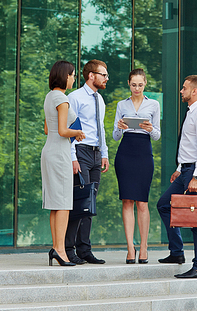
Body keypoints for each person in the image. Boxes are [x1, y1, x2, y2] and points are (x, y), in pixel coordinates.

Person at [157, 74, 197, 279]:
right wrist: (180, 168)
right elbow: (188, 145)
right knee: (164, 205)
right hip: (186, 170)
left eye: (184, 88)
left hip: (196, 172)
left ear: (195, 91)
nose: (181, 91)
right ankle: (177, 252)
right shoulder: (191, 112)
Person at [113, 68, 161, 264]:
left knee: (142, 202)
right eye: (134, 85)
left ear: (145, 84)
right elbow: (115, 136)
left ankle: (143, 247)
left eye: (140, 85)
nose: (137, 88)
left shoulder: (154, 105)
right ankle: (130, 248)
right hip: (125, 153)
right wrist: (119, 127)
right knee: (127, 201)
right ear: (128, 84)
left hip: (143, 153)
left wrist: (150, 129)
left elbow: (157, 136)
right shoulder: (121, 104)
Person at [65, 59, 109, 265]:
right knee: (78, 202)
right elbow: (68, 131)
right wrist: (73, 157)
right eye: (103, 74)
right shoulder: (74, 98)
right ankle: (68, 248)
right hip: (80, 152)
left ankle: (85, 250)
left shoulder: (100, 100)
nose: (106, 78)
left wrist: (104, 153)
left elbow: (100, 128)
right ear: (91, 75)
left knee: (89, 203)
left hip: (95, 154)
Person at [41, 59, 86, 267]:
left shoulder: (50, 97)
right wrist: (77, 132)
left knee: (54, 204)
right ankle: (60, 250)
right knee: (64, 204)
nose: (74, 78)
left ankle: (56, 248)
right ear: (64, 75)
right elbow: (61, 131)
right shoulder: (62, 98)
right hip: (60, 154)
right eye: (72, 74)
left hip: (49, 151)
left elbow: (47, 130)